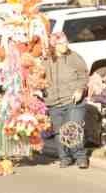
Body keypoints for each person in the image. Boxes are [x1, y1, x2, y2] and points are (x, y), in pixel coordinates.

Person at [42, 32, 89, 169]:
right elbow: (39, 77)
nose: (65, 45)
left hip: (73, 99)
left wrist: (80, 89)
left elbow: (84, 75)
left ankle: (80, 157)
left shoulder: (74, 57)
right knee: (58, 131)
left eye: (66, 42)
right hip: (53, 101)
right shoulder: (46, 60)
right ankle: (65, 157)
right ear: (54, 45)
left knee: (72, 127)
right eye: (61, 43)